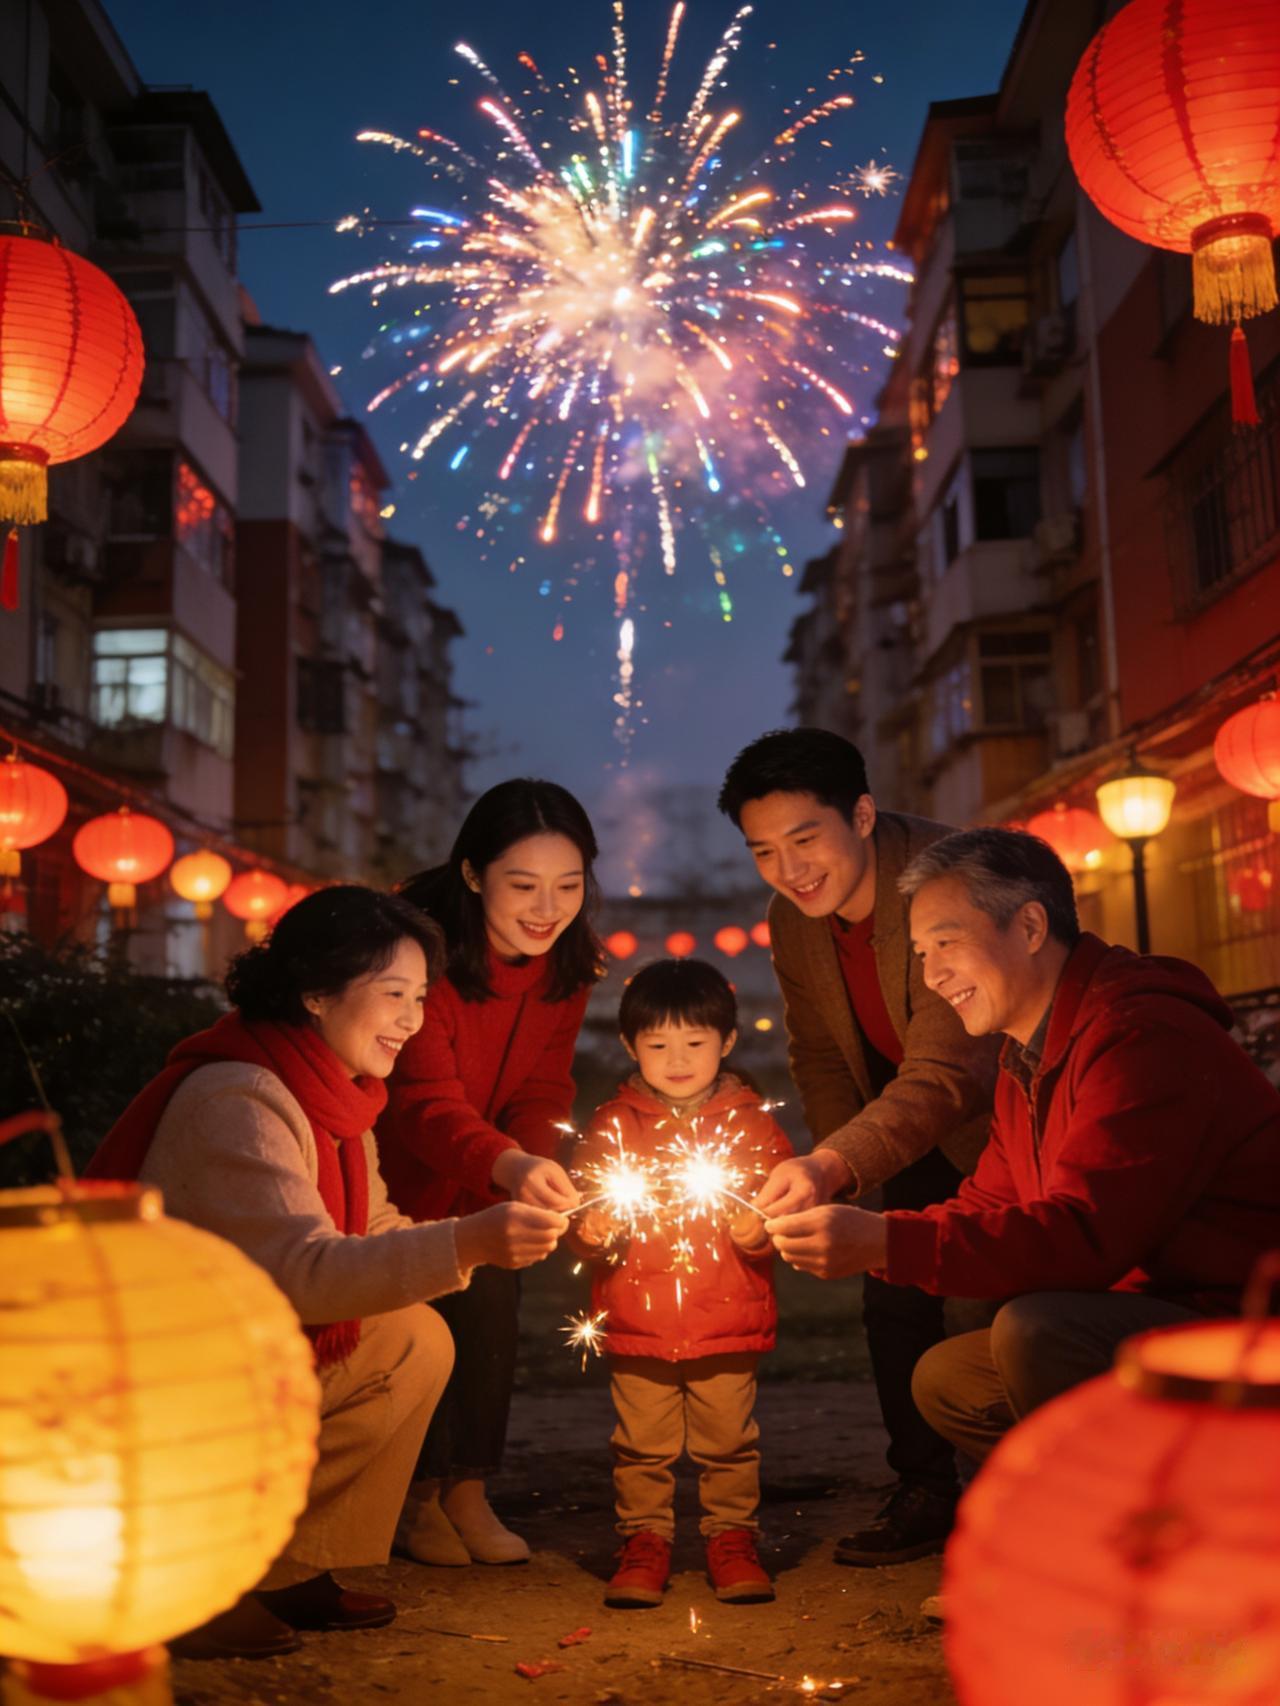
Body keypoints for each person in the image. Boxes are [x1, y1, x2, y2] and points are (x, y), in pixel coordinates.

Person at [85, 886, 568, 1660]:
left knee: (413, 1340)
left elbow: (372, 1230)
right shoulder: (240, 1099)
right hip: (158, 1369)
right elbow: (304, 1273)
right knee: (395, 1338)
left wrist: (480, 1237)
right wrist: (473, 1242)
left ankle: (285, 1564)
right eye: (392, 995)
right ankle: (194, 1579)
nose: (412, 1019)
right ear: (315, 992)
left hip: (238, 1343)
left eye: (419, 996)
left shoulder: (334, 1100)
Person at [764, 826, 1280, 1465]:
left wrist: (883, 1241)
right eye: (922, 953)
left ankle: (1149, 1525)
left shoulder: (1141, 1036)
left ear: (1031, 927)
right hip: (1152, 1314)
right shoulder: (1026, 1056)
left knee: (1035, 1332)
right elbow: (988, 1203)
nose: (934, 975)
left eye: (947, 943)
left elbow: (1085, 1239)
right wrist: (867, 1234)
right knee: (950, 1376)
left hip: (1243, 1322)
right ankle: (1104, 1496)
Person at [717, 728, 999, 1565]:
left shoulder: (947, 885)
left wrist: (833, 1162)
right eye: (764, 851)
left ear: (864, 814)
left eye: (806, 840)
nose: (789, 868)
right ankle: (922, 1487)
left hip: (996, 1121)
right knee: (892, 1297)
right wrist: (842, 1175)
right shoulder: (791, 919)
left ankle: (1024, 1487)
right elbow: (816, 1049)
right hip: (889, 1126)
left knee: (996, 1297)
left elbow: (950, 1072)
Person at [378, 778, 600, 1566]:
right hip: (396, 1174)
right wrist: (506, 1164)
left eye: (569, 885)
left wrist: (532, 1161)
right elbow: (422, 1101)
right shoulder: (420, 954)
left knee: (493, 1305)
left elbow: (545, 1085)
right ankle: (412, 1494)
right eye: (523, 884)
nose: (548, 907)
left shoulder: (566, 967)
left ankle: (466, 1488)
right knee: (417, 1323)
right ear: (473, 874)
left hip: (490, 1170)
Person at [569, 959, 793, 1610]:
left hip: (727, 1320)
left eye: (694, 1043)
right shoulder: (613, 1125)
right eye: (658, 1044)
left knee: (729, 1443)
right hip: (638, 1322)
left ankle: (732, 1540)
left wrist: (755, 1230)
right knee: (641, 1447)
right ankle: (645, 1542)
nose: (676, 1059)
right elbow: (582, 1225)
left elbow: (780, 1216)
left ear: (725, 1042)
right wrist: (597, 1227)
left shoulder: (753, 1126)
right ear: (630, 1045)